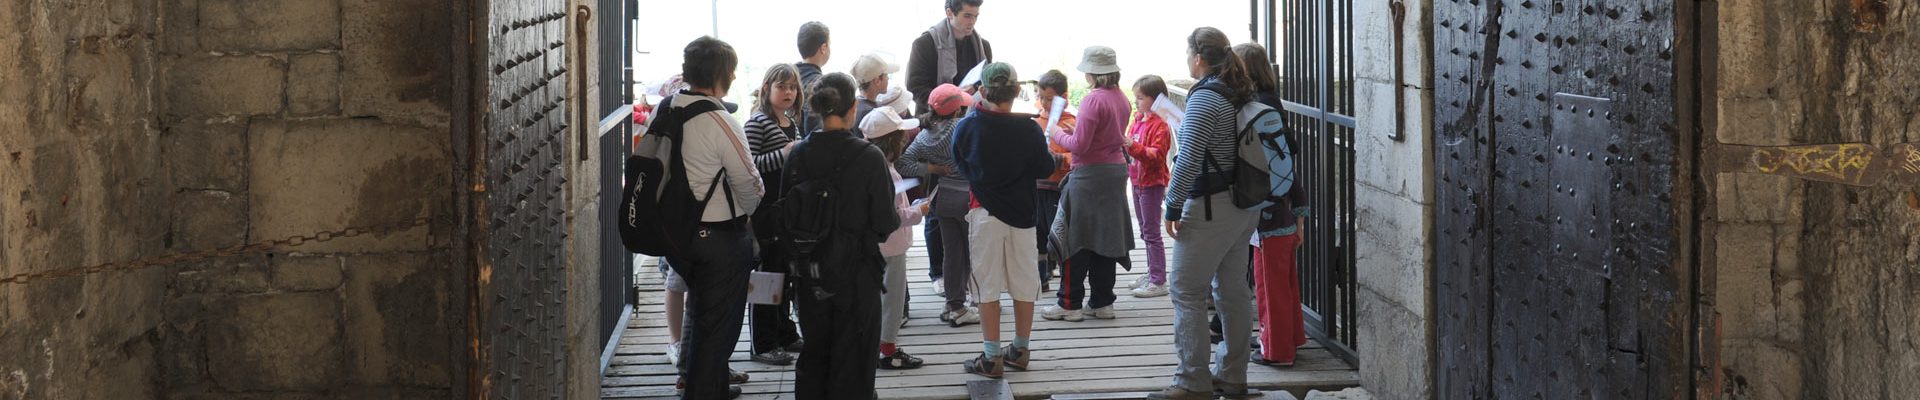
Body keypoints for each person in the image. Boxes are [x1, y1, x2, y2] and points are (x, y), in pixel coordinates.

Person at [1149, 27, 1263, 400]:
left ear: (1198, 59)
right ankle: (1232, 376)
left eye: (1188, 55)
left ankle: (1191, 381)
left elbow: (1189, 158)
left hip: (1212, 206)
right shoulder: (1239, 90)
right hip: (1243, 205)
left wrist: (1173, 204)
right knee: (1232, 292)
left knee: (1186, 290)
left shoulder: (1205, 99)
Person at [785, 72, 899, 399]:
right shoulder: (869, 157)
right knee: (855, 360)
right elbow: (884, 223)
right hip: (857, 274)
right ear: (852, 109)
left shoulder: (798, 153)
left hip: (810, 275)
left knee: (815, 352)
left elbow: (785, 215)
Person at [661, 36, 763, 400]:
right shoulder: (720, 119)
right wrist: (751, 212)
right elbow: (751, 184)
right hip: (717, 236)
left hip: (676, 234)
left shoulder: (668, 108)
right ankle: (705, 391)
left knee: (703, 314)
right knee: (717, 330)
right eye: (731, 70)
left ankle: (713, 387)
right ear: (722, 75)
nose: (734, 76)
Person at [949, 63, 1056, 378]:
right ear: (1016, 92)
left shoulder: (967, 127)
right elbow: (1044, 167)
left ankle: (991, 356)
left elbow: (959, 162)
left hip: (984, 213)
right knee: (1025, 283)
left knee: (986, 285)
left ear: (982, 91)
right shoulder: (1029, 128)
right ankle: (1020, 349)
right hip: (1023, 214)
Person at [1042, 46, 1136, 323]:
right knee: (1105, 237)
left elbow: (1081, 147)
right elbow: (1107, 136)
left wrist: (1055, 131)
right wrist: (1076, 131)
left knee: (1077, 237)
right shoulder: (1122, 98)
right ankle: (1102, 301)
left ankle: (1069, 302)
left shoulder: (1092, 100)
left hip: (1089, 176)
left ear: (1092, 73)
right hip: (1115, 172)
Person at [1233, 42, 1311, 367]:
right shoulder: (1272, 104)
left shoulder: (1256, 109)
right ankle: (1286, 337)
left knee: (1269, 286)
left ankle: (1276, 351)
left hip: (1268, 213)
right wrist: (1300, 213)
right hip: (1284, 209)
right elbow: (1288, 167)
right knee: (1285, 283)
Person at [898, 83, 982, 328]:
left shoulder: (925, 137)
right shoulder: (963, 127)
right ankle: (970, 303)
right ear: (957, 109)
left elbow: (903, 164)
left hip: (942, 197)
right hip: (966, 197)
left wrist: (931, 168)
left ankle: (953, 304)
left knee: (951, 253)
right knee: (970, 252)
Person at [743, 63, 806, 366]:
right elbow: (748, 165)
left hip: (787, 212)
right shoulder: (757, 122)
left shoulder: (791, 121)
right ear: (767, 88)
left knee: (785, 274)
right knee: (768, 276)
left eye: (793, 87)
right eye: (782, 87)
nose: (789, 93)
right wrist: (783, 154)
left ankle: (785, 333)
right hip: (765, 212)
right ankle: (763, 342)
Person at [859, 106, 931, 371]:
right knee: (892, 301)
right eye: (900, 135)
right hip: (891, 246)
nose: (905, 139)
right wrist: (919, 211)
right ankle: (887, 350)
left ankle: (871, 346)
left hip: (873, 246)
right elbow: (893, 215)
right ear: (891, 141)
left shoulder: (870, 167)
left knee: (875, 299)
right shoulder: (886, 172)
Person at [1125, 75, 1174, 298]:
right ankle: (1152, 272)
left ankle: (1158, 279)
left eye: (1141, 97)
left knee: (1152, 232)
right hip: (1136, 181)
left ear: (1155, 100)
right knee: (1145, 231)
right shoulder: (1138, 120)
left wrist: (1131, 146)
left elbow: (1156, 155)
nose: (1136, 102)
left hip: (1152, 184)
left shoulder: (1161, 126)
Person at [1030, 70, 1075, 294]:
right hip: (1037, 186)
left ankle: (1065, 284)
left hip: (1059, 187)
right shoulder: (1035, 123)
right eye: (1042, 97)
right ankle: (1041, 279)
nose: (1045, 103)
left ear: (1063, 98)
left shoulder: (1072, 124)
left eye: (1050, 98)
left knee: (1056, 233)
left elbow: (1078, 154)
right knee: (1037, 233)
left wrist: (1060, 160)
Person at [908, 0, 993, 114]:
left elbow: (987, 83)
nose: (972, 22)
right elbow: (916, 88)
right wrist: (952, 99)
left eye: (975, 16)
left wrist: (976, 88)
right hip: (934, 122)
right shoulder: (924, 44)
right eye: (967, 16)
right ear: (949, 13)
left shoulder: (983, 46)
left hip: (971, 119)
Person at [795, 21, 831, 134]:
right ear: (823, 48)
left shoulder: (787, 76)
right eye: (830, 45)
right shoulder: (819, 84)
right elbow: (816, 129)